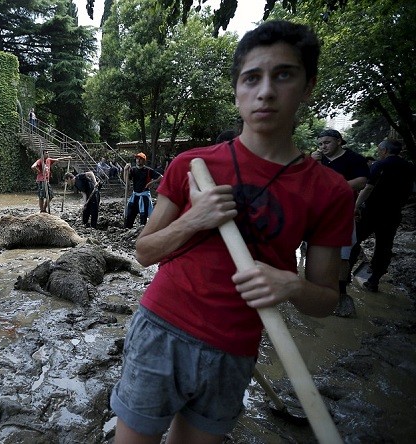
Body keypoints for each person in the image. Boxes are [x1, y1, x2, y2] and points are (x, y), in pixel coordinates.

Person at [111, 20, 354, 444]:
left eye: (283, 75)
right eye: (251, 78)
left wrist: (290, 285)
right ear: (237, 91)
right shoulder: (192, 164)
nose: (265, 92)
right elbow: (145, 251)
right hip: (161, 330)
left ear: (308, 85)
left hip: (235, 347)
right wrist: (194, 218)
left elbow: (325, 301)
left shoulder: (329, 191)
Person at [312, 128, 369, 317]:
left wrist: (338, 187)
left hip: (342, 213)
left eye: (327, 142)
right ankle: (318, 289)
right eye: (320, 144)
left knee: (343, 254)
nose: (323, 147)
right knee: (315, 249)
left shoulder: (354, 159)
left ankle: (341, 292)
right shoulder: (318, 159)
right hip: (318, 212)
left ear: (339, 141)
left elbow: (362, 181)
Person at [350, 139, 416, 292]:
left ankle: (345, 276)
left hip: (372, 212)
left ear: (385, 151)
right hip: (393, 213)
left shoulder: (379, 165)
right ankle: (374, 281)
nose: (378, 152)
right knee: (384, 246)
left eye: (379, 149)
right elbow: (412, 191)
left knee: (354, 240)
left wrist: (356, 205)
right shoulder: (410, 167)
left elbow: (367, 188)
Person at [123, 152, 162, 228]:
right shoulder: (133, 170)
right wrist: (125, 170)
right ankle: (127, 230)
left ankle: (142, 232)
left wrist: (152, 182)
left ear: (144, 161)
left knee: (143, 218)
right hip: (135, 196)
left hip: (144, 197)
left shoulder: (148, 171)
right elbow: (126, 182)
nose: (138, 160)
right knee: (129, 216)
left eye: (140, 159)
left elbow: (161, 177)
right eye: (137, 159)